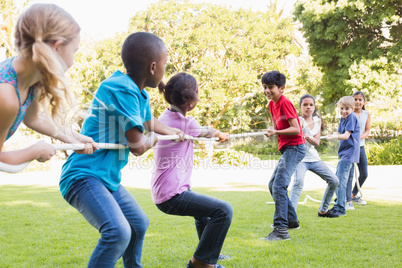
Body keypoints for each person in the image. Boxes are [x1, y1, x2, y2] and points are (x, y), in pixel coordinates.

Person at [60, 32, 184, 268]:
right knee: (117, 232)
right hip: (84, 175)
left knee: (137, 224)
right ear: (153, 66)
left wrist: (173, 132)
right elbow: (138, 145)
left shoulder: (140, 94)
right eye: (165, 65)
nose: (164, 71)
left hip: (106, 179)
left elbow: (149, 123)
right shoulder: (120, 88)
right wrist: (156, 138)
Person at [152, 73, 233, 268]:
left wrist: (214, 133)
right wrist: (218, 133)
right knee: (223, 210)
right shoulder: (184, 123)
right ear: (190, 101)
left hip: (166, 193)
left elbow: (202, 130)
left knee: (204, 213)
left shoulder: (165, 117)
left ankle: (210, 254)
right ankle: (201, 263)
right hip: (172, 196)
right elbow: (205, 131)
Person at [0, 3, 97, 167]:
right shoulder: (6, 95)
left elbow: (34, 119)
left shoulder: (31, 81)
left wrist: (74, 138)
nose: (73, 61)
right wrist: (33, 151)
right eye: (74, 51)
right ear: (57, 47)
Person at [259, 71, 306, 241]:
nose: (266, 90)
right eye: (264, 87)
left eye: (270, 87)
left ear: (282, 88)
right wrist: (272, 131)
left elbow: (296, 129)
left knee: (279, 186)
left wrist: (276, 131)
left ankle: (281, 230)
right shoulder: (272, 104)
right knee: (273, 185)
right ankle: (292, 221)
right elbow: (277, 123)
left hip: (296, 147)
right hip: (288, 148)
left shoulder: (285, 103)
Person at [289, 94, 339, 217]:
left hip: (314, 159)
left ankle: (323, 210)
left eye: (311, 105)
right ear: (300, 107)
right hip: (300, 159)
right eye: (305, 105)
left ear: (314, 107)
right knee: (298, 182)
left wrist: (307, 137)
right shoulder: (298, 121)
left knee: (334, 181)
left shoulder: (317, 121)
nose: (308, 107)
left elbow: (316, 142)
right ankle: (291, 217)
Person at [327, 96, 360, 216]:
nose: (344, 111)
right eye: (342, 108)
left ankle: (340, 208)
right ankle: (339, 204)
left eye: (347, 108)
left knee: (339, 180)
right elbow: (339, 132)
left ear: (352, 109)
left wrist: (334, 137)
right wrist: (330, 135)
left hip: (349, 153)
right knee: (339, 179)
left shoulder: (352, 117)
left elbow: (345, 136)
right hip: (344, 153)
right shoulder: (343, 118)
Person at [345, 91, 371, 208]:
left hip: (360, 147)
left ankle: (353, 194)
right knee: (349, 175)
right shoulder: (349, 113)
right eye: (355, 99)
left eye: (360, 100)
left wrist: (358, 138)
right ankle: (347, 198)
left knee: (364, 174)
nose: (357, 102)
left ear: (364, 102)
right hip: (349, 148)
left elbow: (367, 131)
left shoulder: (366, 114)